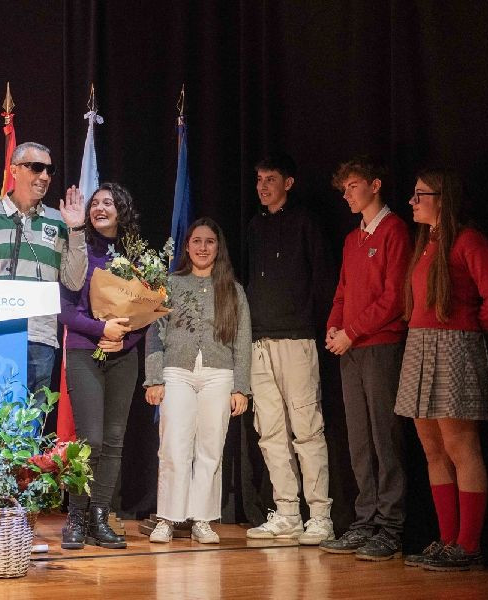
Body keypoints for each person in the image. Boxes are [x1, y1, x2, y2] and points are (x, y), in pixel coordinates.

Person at [394, 168, 488, 571]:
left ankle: (469, 544)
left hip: (455, 349)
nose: (413, 202)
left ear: (442, 198)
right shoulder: (426, 244)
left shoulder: (468, 241)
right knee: (433, 450)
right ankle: (447, 540)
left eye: (419, 195)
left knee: (462, 448)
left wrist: (470, 334)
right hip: (421, 348)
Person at [319, 157, 412, 560]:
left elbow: (393, 298)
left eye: (353, 186)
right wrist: (333, 328)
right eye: (343, 189)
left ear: (375, 185)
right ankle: (364, 520)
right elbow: (342, 292)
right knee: (358, 439)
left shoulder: (394, 230)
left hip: (379, 346)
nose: (347, 195)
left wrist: (352, 332)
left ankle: (390, 527)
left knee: (383, 436)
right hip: (350, 349)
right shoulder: (352, 238)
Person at [245, 153, 336, 545]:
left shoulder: (305, 223)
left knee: (307, 430)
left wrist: (309, 322)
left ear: (289, 183)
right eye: (259, 179)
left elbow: (323, 280)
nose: (263, 186)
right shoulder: (254, 226)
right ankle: (287, 512)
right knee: (269, 432)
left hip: (297, 340)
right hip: (260, 342)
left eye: (271, 179)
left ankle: (321, 515)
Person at [144, 217, 251, 544]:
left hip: (219, 375)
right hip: (177, 372)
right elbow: (155, 333)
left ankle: (202, 518)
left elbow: (243, 339)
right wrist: (154, 379)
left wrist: (241, 388)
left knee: (210, 447)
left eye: (210, 242)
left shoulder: (233, 290)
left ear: (218, 248)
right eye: (197, 241)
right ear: (187, 246)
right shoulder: (171, 285)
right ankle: (168, 517)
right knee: (174, 444)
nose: (203, 248)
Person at [0, 142, 87, 393]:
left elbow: (74, 281)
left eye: (49, 170)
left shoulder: (59, 221)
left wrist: (77, 229)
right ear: (14, 170)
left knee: (30, 426)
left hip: (38, 337)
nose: (44, 176)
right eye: (36, 168)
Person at [58, 182, 143, 550]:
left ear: (121, 209)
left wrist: (125, 338)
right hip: (83, 351)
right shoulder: (77, 247)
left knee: (113, 440)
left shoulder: (136, 254)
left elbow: (148, 311)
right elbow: (64, 309)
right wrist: (100, 329)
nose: (100, 208)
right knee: (89, 439)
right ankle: (76, 515)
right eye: (95, 203)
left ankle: (99, 516)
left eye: (108, 202)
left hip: (124, 354)